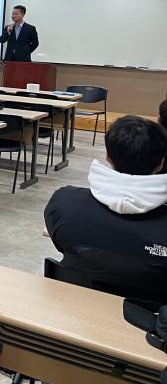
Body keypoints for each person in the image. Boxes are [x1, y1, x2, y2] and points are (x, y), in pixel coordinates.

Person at [44, 116, 167, 303]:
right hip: (146, 318)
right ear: (161, 163)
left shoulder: (64, 204)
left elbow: (61, 243)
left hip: (73, 306)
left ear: (107, 155)